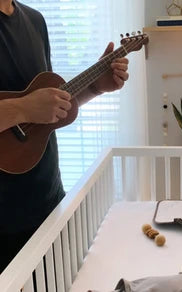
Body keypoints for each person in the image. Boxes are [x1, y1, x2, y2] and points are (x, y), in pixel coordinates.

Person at [0, 0, 129, 273]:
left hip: (48, 202)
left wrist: (96, 87)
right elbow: (30, 107)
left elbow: (46, 112)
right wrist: (22, 108)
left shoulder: (35, 21)